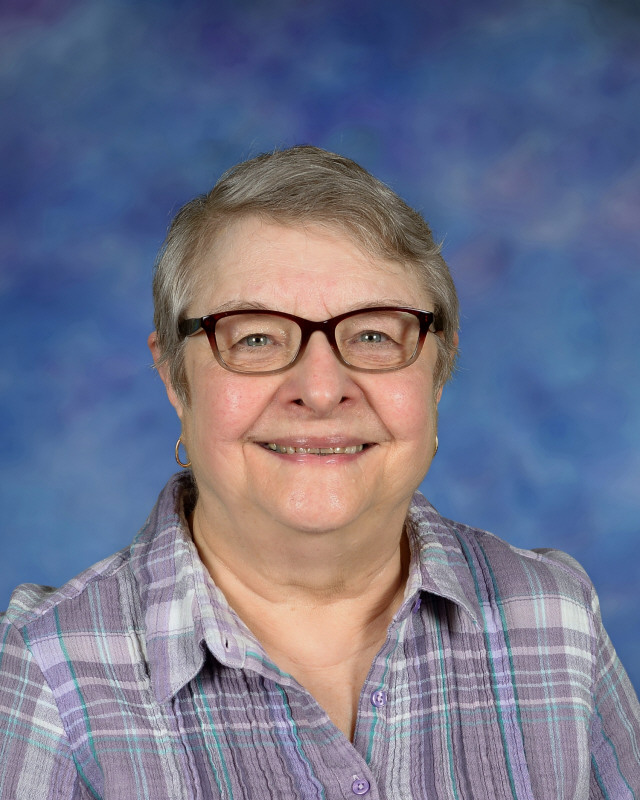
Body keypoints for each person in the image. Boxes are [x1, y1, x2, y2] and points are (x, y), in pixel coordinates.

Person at [0, 146, 638, 800]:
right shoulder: (46, 672)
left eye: (373, 336)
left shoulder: (554, 617)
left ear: (439, 368)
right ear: (174, 377)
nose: (322, 389)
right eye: (254, 338)